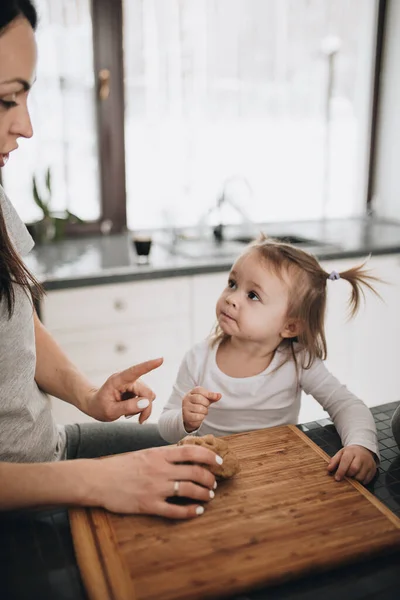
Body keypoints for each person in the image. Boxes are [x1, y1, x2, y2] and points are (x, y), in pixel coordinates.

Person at [0, 0, 221, 519]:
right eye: (7, 99)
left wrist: (88, 395)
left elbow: (15, 319)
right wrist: (99, 481)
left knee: (204, 468)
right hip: (25, 504)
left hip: (54, 453)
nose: (27, 126)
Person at [159, 235, 380, 485]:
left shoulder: (298, 362)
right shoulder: (199, 358)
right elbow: (165, 427)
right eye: (232, 283)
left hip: (275, 474)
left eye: (253, 295)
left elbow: (346, 405)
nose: (232, 297)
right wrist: (185, 421)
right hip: (213, 476)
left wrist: (361, 445)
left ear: (290, 326)